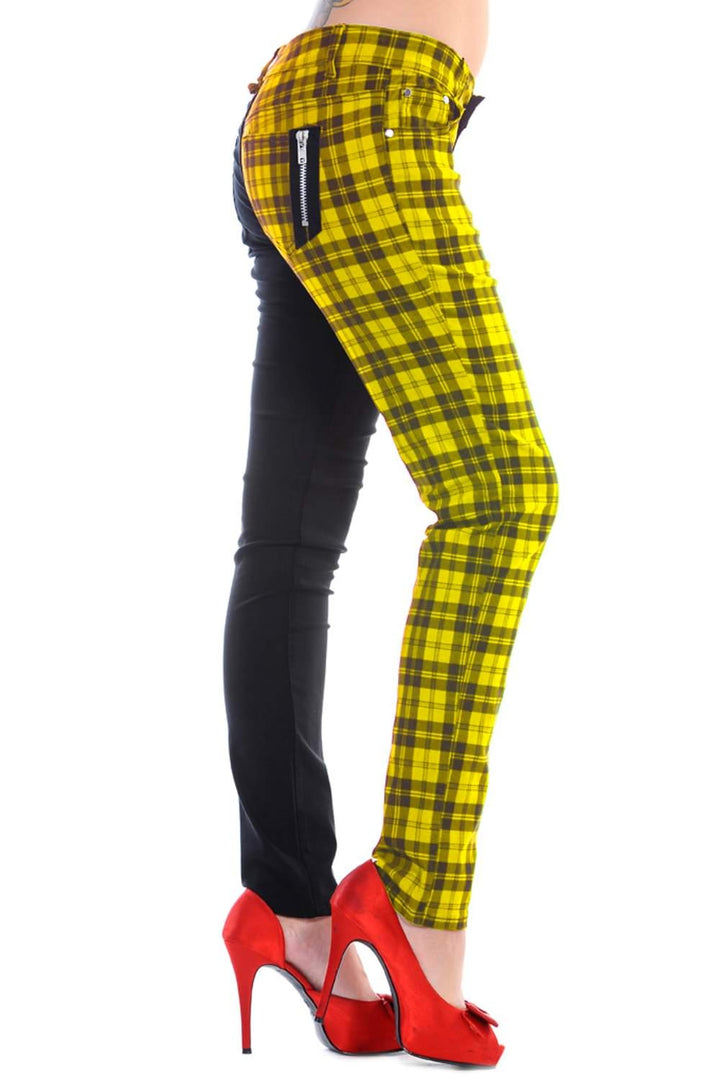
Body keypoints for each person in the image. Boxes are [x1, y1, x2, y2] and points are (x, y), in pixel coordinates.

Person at [221, 1, 560, 1065]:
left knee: (290, 545)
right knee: (501, 494)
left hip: (333, 111)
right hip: (365, 112)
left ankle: (294, 915)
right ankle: (412, 902)